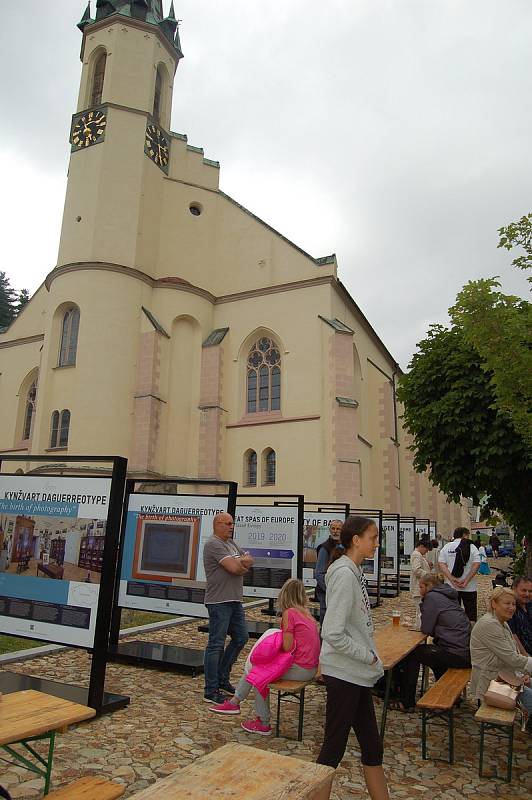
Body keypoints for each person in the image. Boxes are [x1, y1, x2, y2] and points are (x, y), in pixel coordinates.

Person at [317, 516, 389, 800]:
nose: (377, 543)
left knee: (372, 746)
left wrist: (368, 658)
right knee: (333, 747)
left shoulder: (354, 571)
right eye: (373, 537)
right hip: (345, 671)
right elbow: (332, 632)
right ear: (356, 540)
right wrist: (368, 657)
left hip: (356, 672)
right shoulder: (345, 574)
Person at [208, 578, 320, 734]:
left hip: (301, 669)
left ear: (284, 595)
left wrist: (272, 644)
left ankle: (262, 721)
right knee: (259, 668)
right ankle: (235, 702)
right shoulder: (307, 615)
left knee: (259, 672)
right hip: (310, 667)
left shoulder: (290, 613)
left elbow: (288, 646)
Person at [393, 572, 471, 711]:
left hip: (456, 653)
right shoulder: (448, 595)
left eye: (421, 587)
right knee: (433, 654)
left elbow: (427, 629)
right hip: (465, 651)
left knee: (412, 654)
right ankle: (447, 692)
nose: (420, 590)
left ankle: (406, 701)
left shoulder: (432, 597)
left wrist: (424, 606)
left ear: (428, 586)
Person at [202, 512, 254, 704]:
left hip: (234, 599)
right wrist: (241, 563)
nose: (232, 526)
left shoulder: (231, 544)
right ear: (217, 524)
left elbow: (248, 560)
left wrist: (240, 563)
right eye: (228, 523)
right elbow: (234, 568)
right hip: (219, 601)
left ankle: (222, 678)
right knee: (216, 643)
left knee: (241, 637)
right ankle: (210, 689)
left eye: (233, 523)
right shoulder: (214, 544)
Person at [470, 586, 532, 723]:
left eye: (513, 604)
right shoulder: (490, 624)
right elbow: (512, 658)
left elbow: (510, 655)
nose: (511, 607)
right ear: (494, 604)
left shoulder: (501, 622)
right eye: (507, 603)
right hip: (492, 682)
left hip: (504, 676)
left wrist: (523, 674)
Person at [438, 527, 480, 622]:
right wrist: (466, 580)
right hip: (469, 587)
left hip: (451, 586)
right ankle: (469, 633)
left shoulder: (447, 547)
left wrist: (452, 579)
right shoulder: (471, 546)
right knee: (470, 614)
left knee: (451, 613)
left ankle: (453, 633)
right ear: (464, 535)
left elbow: (441, 564)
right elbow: (477, 564)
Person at [315, 519, 343, 624]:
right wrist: (330, 590)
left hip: (339, 589)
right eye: (333, 528)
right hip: (326, 591)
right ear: (330, 530)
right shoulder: (324, 548)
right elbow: (319, 574)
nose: (335, 531)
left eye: (338, 529)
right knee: (327, 619)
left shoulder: (345, 546)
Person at [508, 576, 532, 656]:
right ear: (514, 589)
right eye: (524, 590)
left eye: (530, 591)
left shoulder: (530, 605)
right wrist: (527, 657)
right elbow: (512, 635)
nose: (527, 594)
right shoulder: (510, 608)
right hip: (522, 657)